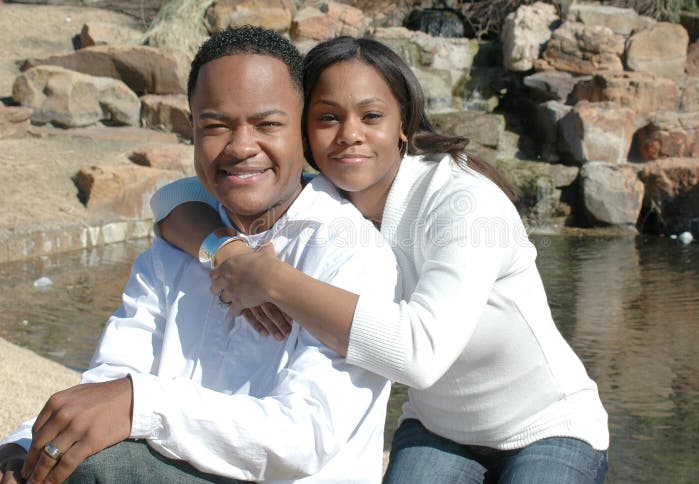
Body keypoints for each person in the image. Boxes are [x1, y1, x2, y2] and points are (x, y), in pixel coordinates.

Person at [150, 36, 610, 483]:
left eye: (371, 116)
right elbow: (173, 198)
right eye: (328, 117)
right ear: (303, 130)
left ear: (403, 123)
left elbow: (418, 354)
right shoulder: (330, 197)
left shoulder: (465, 203)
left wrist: (272, 280)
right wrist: (226, 249)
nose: (350, 135)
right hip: (439, 429)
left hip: (548, 426)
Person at [0, 27, 401, 484]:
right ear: (191, 130)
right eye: (216, 125)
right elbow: (112, 376)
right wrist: (28, 446)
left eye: (268, 124)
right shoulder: (177, 244)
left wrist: (140, 403)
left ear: (303, 133)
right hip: (173, 464)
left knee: (95, 469)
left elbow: (301, 440)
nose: (241, 146)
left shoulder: (349, 251)